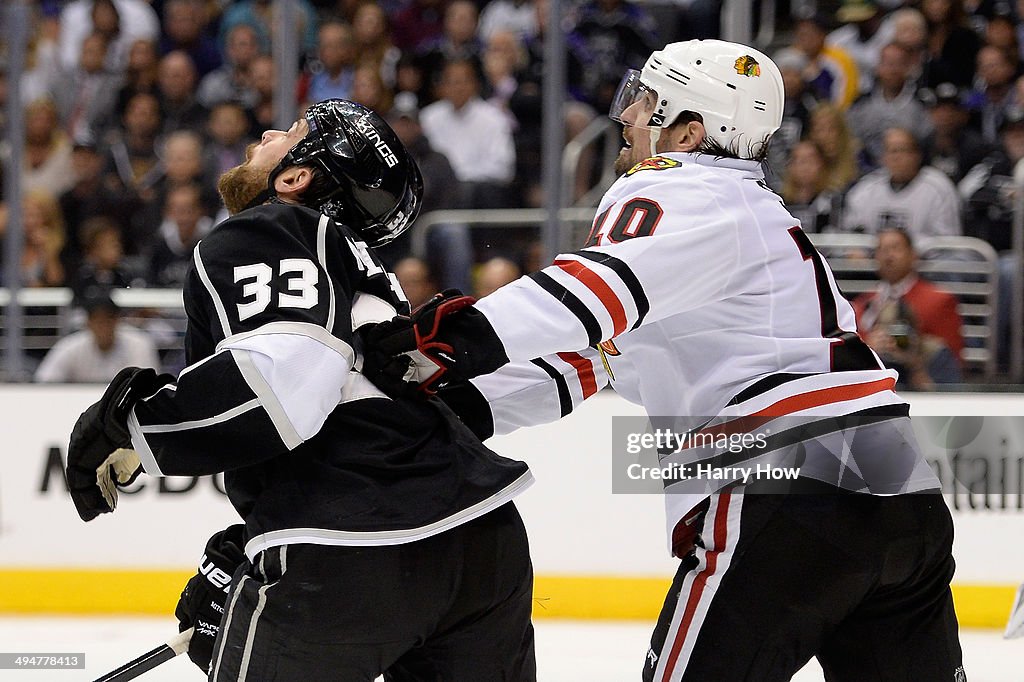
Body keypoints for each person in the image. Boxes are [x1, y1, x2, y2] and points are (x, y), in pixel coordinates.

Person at [367, 39, 964, 680]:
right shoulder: (747, 218)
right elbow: (592, 357)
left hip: (787, 486)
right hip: (903, 489)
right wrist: (461, 406)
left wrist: (449, 342)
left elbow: (593, 292)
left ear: (688, 129)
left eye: (644, 102)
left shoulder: (679, 187)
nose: (625, 117)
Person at [64, 99, 536, 681]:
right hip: (483, 542)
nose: (265, 132)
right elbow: (386, 410)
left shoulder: (268, 228)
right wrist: (259, 535)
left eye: (289, 132)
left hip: (348, 543)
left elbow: (277, 388)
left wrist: (134, 429)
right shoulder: (359, 271)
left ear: (293, 178)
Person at [852, 227, 964, 389]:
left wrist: (916, 353)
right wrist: (868, 347)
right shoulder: (862, 304)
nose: (888, 256)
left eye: (895, 248)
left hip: (925, 386)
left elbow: (953, 364)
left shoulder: (939, 300)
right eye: (882, 250)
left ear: (913, 255)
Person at [841, 126, 962, 238]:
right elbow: (851, 235)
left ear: (917, 155)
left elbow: (947, 244)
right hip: (872, 260)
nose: (896, 157)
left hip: (925, 260)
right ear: (883, 157)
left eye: (902, 150)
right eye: (891, 151)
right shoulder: (866, 189)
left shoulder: (939, 189)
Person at [35, 291, 159, 383]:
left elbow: (148, 384)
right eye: (98, 320)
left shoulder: (139, 344)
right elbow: (45, 380)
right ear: (88, 322)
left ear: (117, 320)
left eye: (108, 319)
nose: (103, 325)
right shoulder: (70, 346)